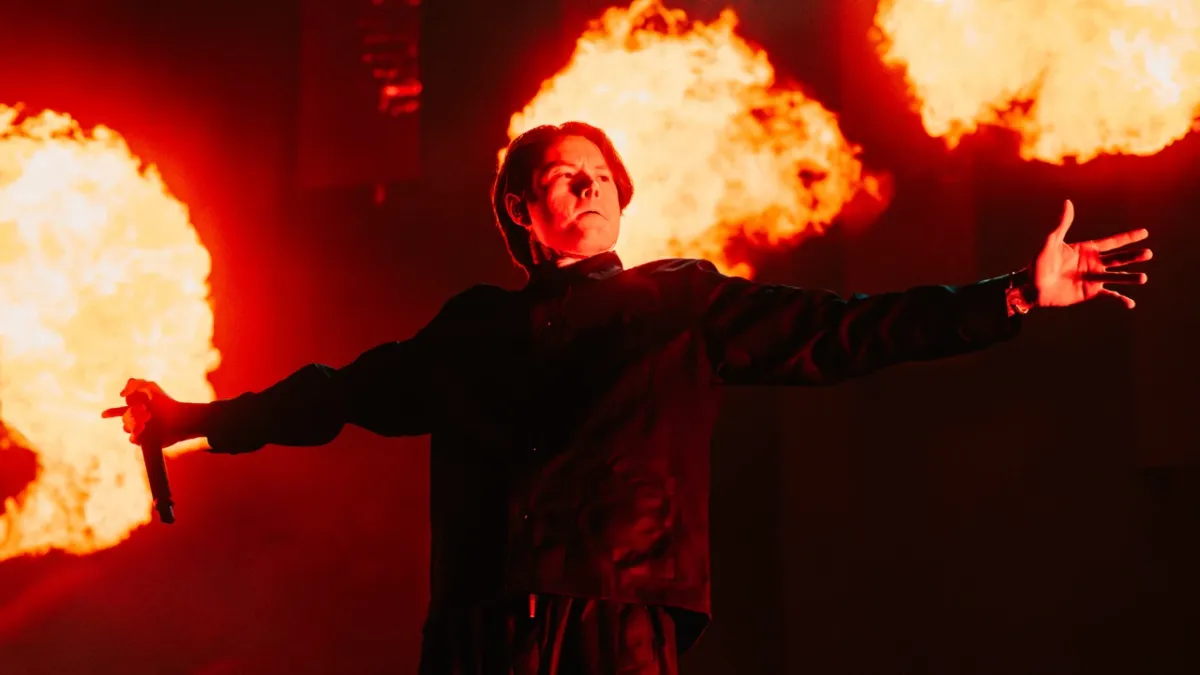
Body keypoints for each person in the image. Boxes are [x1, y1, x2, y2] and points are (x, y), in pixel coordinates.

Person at [103, 122, 1151, 674]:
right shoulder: (471, 328)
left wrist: (1011, 294)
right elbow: (335, 396)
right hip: (478, 628)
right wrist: (195, 421)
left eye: (601, 173)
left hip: (619, 619)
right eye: (566, 176)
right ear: (522, 210)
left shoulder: (680, 301)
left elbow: (843, 331)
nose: (591, 185)